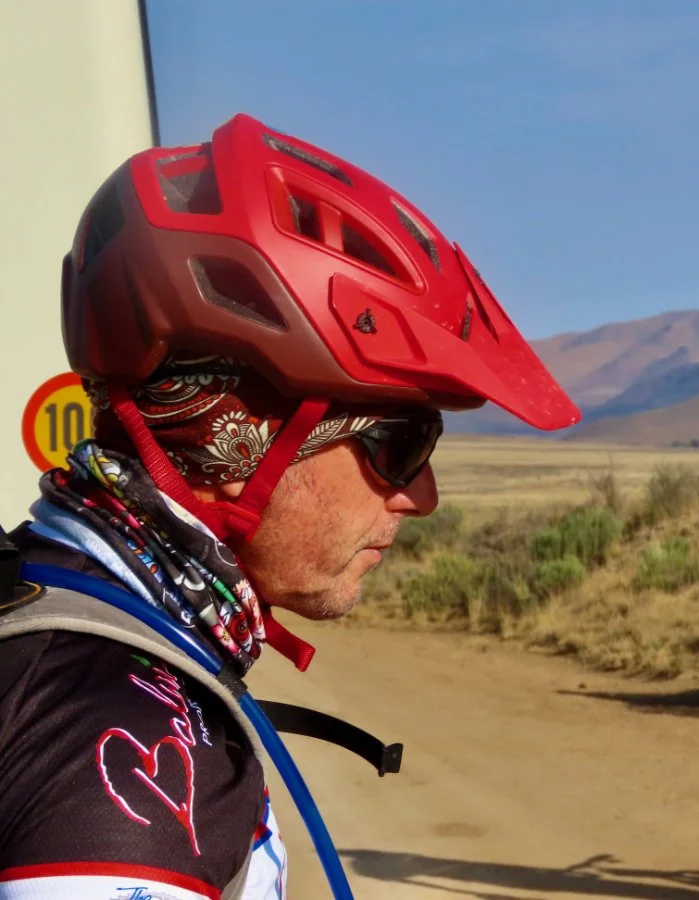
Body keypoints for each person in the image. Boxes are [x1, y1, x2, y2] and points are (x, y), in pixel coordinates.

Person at [0, 113, 579, 899]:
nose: (423, 496)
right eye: (399, 443)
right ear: (240, 440)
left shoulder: (44, 604)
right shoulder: (124, 754)